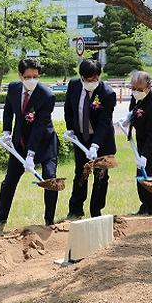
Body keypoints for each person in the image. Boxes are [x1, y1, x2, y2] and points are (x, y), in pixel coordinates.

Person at [0, 58, 59, 230]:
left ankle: (49, 220)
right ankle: (0, 218)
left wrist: (31, 155)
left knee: (50, 179)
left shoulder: (46, 96)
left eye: (35, 76)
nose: (32, 80)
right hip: (20, 143)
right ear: (20, 75)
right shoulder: (14, 88)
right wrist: (7, 131)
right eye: (28, 76)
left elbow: (39, 127)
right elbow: (8, 109)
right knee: (9, 181)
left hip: (44, 143)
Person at [63, 59, 116, 219]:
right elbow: (68, 109)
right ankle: (75, 210)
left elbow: (104, 122)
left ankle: (96, 211)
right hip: (81, 138)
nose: (90, 83)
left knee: (100, 177)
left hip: (102, 141)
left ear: (99, 76)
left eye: (94, 79)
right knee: (80, 174)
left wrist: (95, 145)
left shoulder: (107, 93)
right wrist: (70, 129)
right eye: (86, 80)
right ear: (81, 77)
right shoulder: (74, 85)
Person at [125, 70, 152, 216]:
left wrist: (144, 156)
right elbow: (135, 104)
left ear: (149, 87)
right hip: (143, 138)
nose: (135, 92)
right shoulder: (139, 92)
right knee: (140, 176)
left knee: (147, 177)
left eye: (139, 89)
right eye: (133, 89)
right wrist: (130, 115)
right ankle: (146, 206)